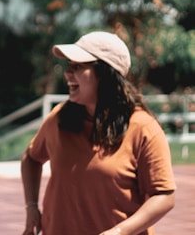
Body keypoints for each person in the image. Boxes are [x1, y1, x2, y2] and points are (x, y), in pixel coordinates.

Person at [20, 31, 176, 235]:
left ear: (105, 74)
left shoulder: (143, 127)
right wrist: (31, 207)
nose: (68, 74)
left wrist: (120, 231)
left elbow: (164, 196)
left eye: (78, 66)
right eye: (68, 65)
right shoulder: (59, 117)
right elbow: (31, 158)